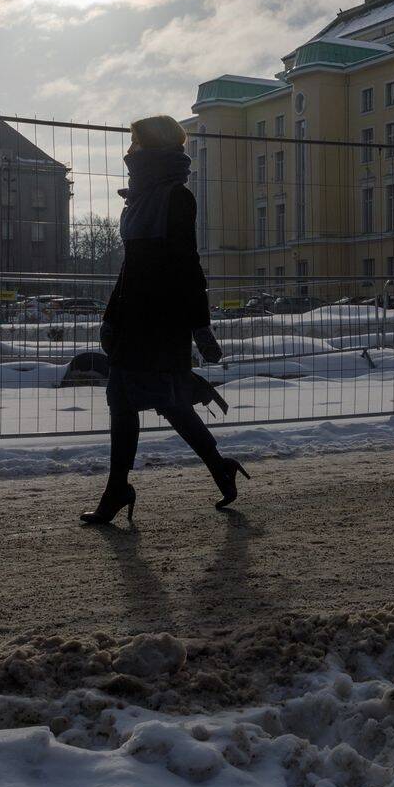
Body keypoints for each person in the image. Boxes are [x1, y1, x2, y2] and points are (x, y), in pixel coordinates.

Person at [81, 115, 248, 525]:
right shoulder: (139, 198)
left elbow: (186, 264)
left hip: (162, 320)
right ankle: (213, 468)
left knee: (154, 400)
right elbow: (130, 267)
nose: (130, 150)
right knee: (149, 400)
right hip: (135, 317)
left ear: (151, 147)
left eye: (135, 142)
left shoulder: (176, 197)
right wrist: (111, 315)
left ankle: (120, 489)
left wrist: (199, 324)